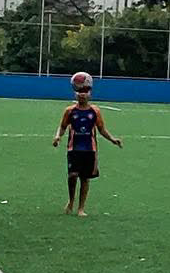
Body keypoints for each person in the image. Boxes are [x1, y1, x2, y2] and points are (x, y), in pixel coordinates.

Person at [52, 71, 123, 216]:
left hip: (90, 149)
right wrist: (58, 136)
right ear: (75, 93)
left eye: (85, 92)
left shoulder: (95, 111)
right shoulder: (70, 111)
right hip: (74, 148)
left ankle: (81, 208)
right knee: (72, 175)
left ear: (90, 93)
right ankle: (71, 201)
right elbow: (63, 126)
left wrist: (112, 139)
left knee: (85, 178)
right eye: (79, 92)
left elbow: (101, 129)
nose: (82, 94)